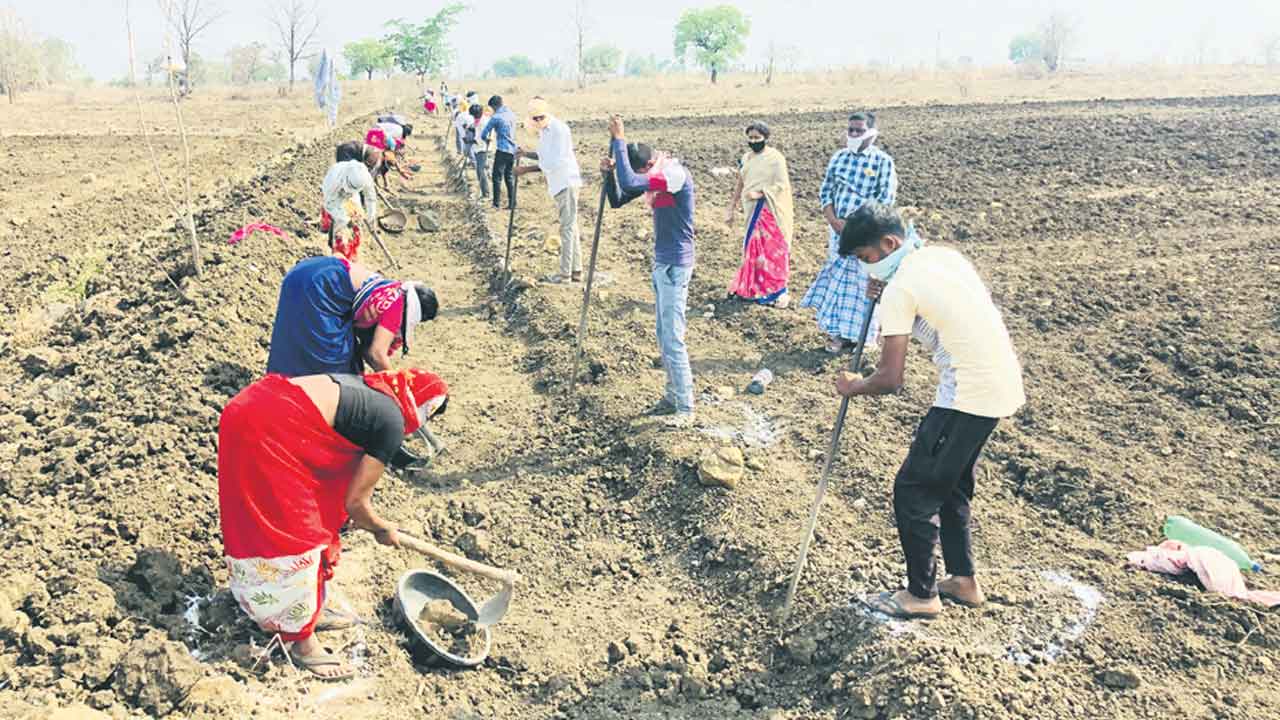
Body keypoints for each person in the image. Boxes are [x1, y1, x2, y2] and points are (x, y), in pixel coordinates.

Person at [832, 202, 1025, 620]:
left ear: (889, 244)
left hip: (968, 394)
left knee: (915, 490)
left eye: (867, 260)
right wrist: (889, 294)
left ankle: (922, 595)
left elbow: (889, 378)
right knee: (951, 486)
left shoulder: (901, 289)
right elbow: (938, 316)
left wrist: (854, 385)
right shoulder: (941, 258)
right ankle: (963, 580)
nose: (867, 270)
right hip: (999, 382)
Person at [218, 367, 449, 679]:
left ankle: (307, 610)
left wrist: (362, 518)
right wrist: (381, 528)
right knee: (295, 532)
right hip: (266, 429)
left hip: (256, 408)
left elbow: (342, 488)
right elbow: (357, 503)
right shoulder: (392, 422)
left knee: (307, 517)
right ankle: (301, 642)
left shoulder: (375, 392)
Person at [601, 115, 697, 427]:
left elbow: (629, 182)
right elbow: (617, 198)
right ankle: (671, 396)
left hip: (676, 264)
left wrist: (618, 139)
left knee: (673, 337)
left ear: (648, 166)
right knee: (662, 334)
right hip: (662, 262)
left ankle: (685, 408)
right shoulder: (653, 178)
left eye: (639, 172)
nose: (641, 179)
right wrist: (607, 175)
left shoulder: (673, 175)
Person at [801, 111, 897, 354]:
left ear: (871, 134)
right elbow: (826, 192)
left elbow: (884, 201)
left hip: (866, 235)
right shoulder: (839, 158)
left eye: (859, 130)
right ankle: (838, 335)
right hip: (838, 233)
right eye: (850, 130)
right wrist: (833, 220)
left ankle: (865, 338)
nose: (853, 135)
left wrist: (857, 226)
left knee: (865, 283)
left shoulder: (882, 162)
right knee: (838, 280)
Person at [266, 256, 438, 377]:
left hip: (305, 272)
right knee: (334, 363)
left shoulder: (388, 289)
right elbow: (375, 353)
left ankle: (282, 387)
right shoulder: (397, 303)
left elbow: (365, 350)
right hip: (320, 285)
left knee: (297, 338)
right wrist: (396, 384)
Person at [514, 97, 584, 284]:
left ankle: (565, 275)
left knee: (567, 228)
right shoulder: (545, 132)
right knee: (571, 227)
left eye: (539, 118)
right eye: (534, 119)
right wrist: (525, 154)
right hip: (559, 184)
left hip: (566, 182)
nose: (537, 122)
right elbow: (544, 156)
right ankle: (576, 271)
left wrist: (526, 170)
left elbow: (553, 162)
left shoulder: (559, 130)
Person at [725, 121, 793, 308]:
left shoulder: (775, 158)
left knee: (771, 250)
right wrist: (732, 206)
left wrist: (761, 194)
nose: (754, 141)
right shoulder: (746, 158)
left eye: (757, 138)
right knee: (752, 249)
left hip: (769, 210)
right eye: (751, 138)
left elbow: (781, 185)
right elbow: (740, 181)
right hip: (750, 209)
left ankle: (776, 290)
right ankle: (752, 287)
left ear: (765, 138)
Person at [321, 146, 380, 261]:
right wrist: (344, 219)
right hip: (334, 196)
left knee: (356, 220)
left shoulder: (364, 176)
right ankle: (338, 253)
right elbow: (330, 204)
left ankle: (352, 253)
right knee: (340, 227)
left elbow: (370, 198)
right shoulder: (333, 179)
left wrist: (371, 216)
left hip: (352, 195)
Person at [480, 95, 517, 210]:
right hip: (513, 150)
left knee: (497, 177)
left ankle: (496, 203)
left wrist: (487, 139)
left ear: (494, 106)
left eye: (492, 108)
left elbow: (483, 134)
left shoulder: (496, 117)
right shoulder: (511, 114)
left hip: (502, 150)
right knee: (509, 177)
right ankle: (512, 203)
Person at [463, 104, 491, 200]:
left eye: (474, 115)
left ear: (479, 113)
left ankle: (486, 194)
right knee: (479, 170)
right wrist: (469, 128)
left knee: (480, 170)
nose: (473, 117)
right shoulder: (477, 120)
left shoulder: (484, 122)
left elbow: (481, 138)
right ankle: (484, 193)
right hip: (477, 148)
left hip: (482, 148)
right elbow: (474, 127)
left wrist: (469, 141)